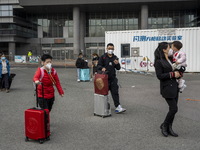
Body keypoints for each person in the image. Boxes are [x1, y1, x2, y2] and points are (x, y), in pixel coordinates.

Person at [154, 42, 181, 137]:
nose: (171, 49)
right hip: (167, 88)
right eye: (169, 48)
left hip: (175, 87)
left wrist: (179, 72)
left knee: (173, 109)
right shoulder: (159, 61)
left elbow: (175, 69)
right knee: (174, 109)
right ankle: (164, 125)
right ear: (164, 50)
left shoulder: (170, 59)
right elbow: (159, 76)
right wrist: (172, 74)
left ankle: (170, 127)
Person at [97, 43, 126, 113]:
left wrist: (117, 63)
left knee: (115, 92)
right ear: (106, 49)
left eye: (112, 49)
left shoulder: (115, 57)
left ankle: (118, 106)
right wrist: (102, 68)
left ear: (114, 49)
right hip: (104, 79)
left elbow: (118, 68)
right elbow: (98, 66)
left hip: (113, 78)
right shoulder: (103, 57)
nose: (110, 50)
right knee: (104, 93)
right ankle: (104, 106)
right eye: (109, 48)